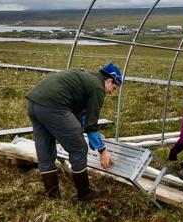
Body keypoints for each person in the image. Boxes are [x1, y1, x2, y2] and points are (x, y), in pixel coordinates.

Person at [26, 63, 123, 200]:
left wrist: (93, 134)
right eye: (114, 87)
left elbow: (82, 116)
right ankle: (85, 193)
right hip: (54, 106)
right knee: (79, 149)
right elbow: (91, 125)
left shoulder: (87, 78)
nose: (111, 92)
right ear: (109, 80)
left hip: (34, 103)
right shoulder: (97, 87)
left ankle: (53, 198)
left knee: (46, 152)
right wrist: (102, 150)